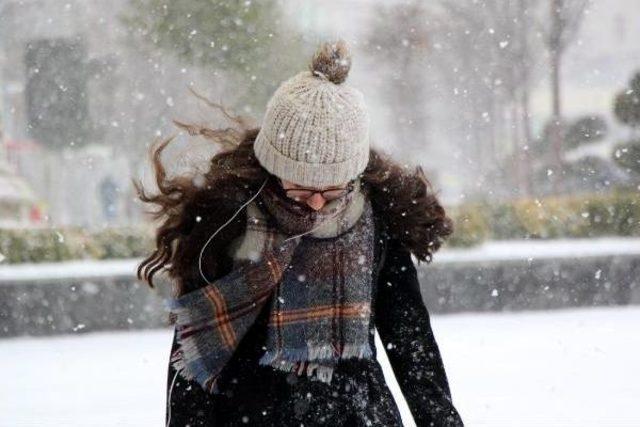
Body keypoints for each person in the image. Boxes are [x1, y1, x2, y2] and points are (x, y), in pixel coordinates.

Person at [134, 39, 463, 427]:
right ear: (272, 168)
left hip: (356, 412)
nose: (318, 204)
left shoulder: (376, 222)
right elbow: (193, 358)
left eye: (333, 190)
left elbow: (410, 341)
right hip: (251, 413)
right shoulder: (230, 220)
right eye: (301, 190)